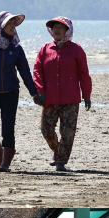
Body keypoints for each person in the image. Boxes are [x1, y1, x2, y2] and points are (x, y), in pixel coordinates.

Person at [0, 11, 42, 172]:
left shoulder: (17, 48)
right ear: (1, 25)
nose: (13, 26)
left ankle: (6, 161)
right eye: (10, 23)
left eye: (15, 23)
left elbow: (25, 72)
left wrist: (34, 93)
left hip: (11, 93)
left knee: (8, 128)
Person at [33, 16, 92, 172]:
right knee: (46, 129)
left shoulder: (76, 49)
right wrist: (40, 91)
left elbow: (84, 74)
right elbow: (37, 71)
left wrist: (87, 95)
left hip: (70, 99)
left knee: (67, 132)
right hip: (50, 98)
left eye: (61, 27)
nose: (57, 30)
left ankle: (61, 162)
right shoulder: (45, 49)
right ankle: (57, 151)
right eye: (54, 27)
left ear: (68, 30)